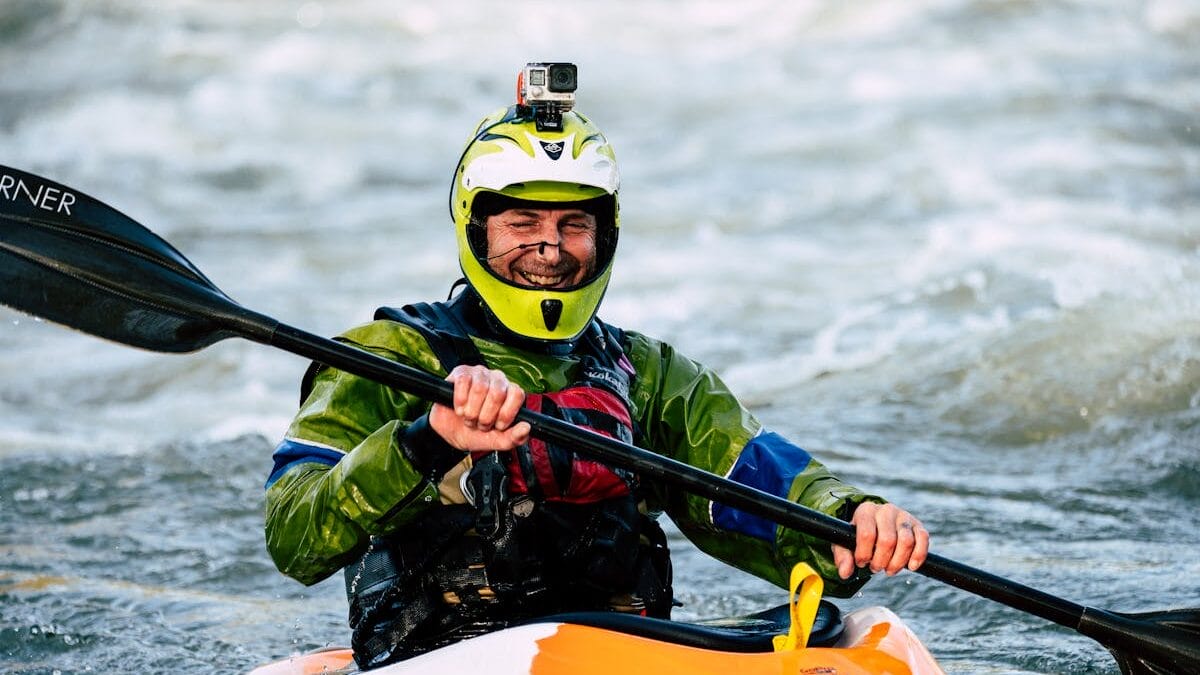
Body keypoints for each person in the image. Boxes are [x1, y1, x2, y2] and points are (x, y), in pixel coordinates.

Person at [263, 64, 929, 670]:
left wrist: (850, 519)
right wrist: (426, 439)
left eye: (573, 223)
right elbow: (294, 536)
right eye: (522, 221)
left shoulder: (649, 374)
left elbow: (763, 482)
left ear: (604, 233)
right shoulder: (386, 358)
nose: (549, 247)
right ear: (477, 229)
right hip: (436, 657)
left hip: (619, 654)